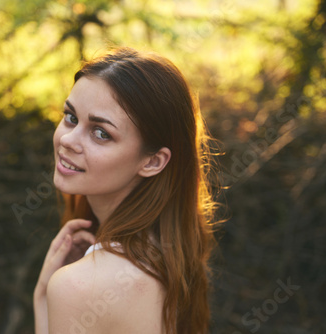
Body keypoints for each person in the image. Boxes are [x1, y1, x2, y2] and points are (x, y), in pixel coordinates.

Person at [34, 47, 219, 334]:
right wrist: (44, 298)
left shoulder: (81, 285)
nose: (69, 139)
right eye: (71, 117)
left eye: (101, 133)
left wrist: (54, 292)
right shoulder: (168, 254)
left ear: (153, 161)